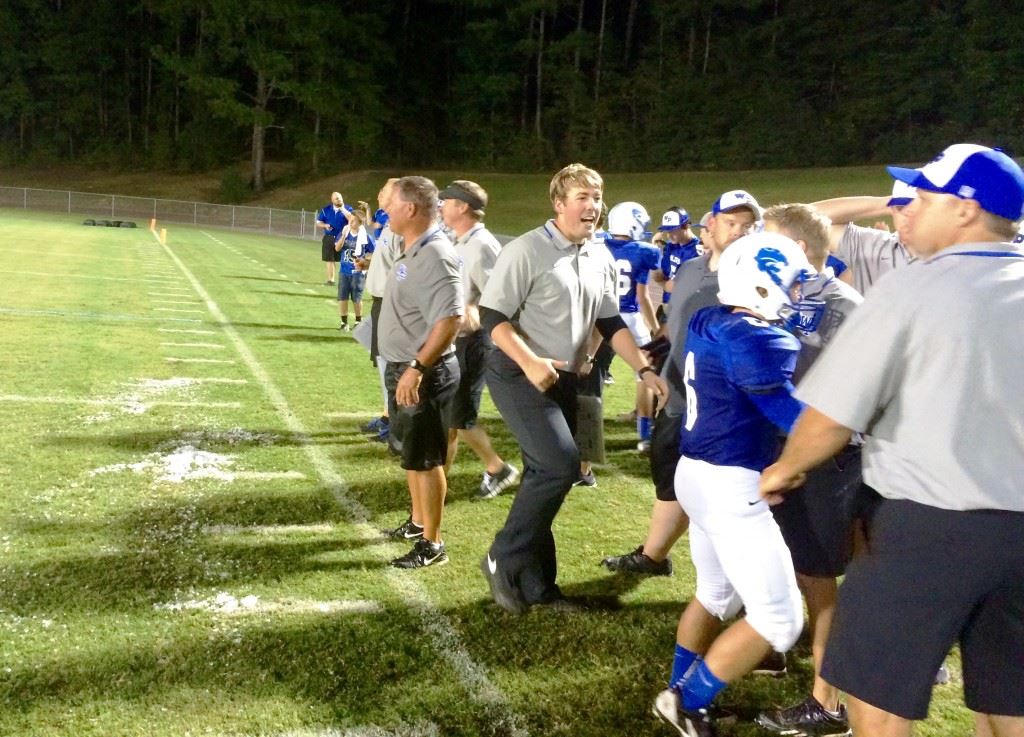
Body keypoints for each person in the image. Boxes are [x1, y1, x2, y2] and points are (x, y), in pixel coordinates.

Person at [760, 143, 1024, 737]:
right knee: (1011, 700)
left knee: (874, 695)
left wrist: (783, 470)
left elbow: (829, 417)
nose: (906, 210)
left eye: (925, 197)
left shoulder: (911, 289)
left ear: (964, 209)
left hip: (933, 525)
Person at [651, 231, 824, 737]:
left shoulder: (709, 318)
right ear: (761, 285)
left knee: (716, 595)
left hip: (696, 477)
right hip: (733, 485)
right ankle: (687, 701)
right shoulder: (759, 339)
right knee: (780, 622)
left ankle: (678, 690)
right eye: (790, 284)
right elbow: (799, 421)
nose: (796, 296)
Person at [477, 163, 669, 613]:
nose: (592, 206)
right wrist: (529, 360)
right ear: (559, 204)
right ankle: (502, 557)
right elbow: (493, 319)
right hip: (518, 370)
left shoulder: (598, 253)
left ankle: (540, 589)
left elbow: (609, 321)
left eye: (597, 197)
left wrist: (644, 369)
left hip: (568, 376)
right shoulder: (526, 249)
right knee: (560, 465)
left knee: (551, 473)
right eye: (582, 197)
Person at [601, 192, 761, 577]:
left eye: (747, 225)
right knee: (669, 472)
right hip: (678, 394)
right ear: (710, 227)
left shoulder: (757, 274)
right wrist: (655, 352)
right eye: (730, 222)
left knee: (725, 490)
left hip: (724, 405)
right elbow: (677, 324)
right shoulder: (689, 270)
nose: (739, 231)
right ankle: (654, 557)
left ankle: (735, 575)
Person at [752, 204, 864, 737]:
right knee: (801, 569)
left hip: (824, 460)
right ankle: (782, 647)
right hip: (788, 456)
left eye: (766, 239)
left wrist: (804, 458)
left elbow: (849, 400)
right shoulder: (773, 295)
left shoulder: (843, 305)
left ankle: (827, 703)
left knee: (823, 581)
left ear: (794, 250)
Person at [377, 176, 464, 569]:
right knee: (412, 457)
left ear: (410, 209)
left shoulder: (435, 254)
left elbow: (450, 320)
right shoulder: (412, 247)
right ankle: (417, 522)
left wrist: (416, 367)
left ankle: (433, 543)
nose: (385, 210)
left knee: (427, 460)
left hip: (423, 373)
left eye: (391, 204)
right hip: (405, 369)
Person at [438, 179, 519, 500]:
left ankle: (497, 467)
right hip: (455, 337)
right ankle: (439, 480)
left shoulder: (482, 245)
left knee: (459, 416)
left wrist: (474, 311)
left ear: (463, 207)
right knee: (449, 416)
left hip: (473, 341)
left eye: (446, 201)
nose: (441, 206)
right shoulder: (459, 240)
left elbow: (499, 297)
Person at [603, 201, 662, 453]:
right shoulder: (644, 251)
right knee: (644, 373)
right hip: (630, 317)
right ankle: (644, 436)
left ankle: (579, 430)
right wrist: (656, 327)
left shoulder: (598, 244)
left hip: (601, 316)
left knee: (588, 372)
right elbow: (642, 295)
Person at [811, 180, 917, 295]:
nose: (908, 216)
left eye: (920, 207)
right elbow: (805, 222)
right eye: (901, 208)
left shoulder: (938, 267)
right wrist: (885, 204)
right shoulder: (877, 246)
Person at [362, 179, 402, 443]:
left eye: (384, 190)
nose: (379, 194)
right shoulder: (388, 225)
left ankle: (395, 425)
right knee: (381, 362)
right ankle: (388, 415)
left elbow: (403, 269)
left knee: (390, 365)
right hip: (379, 302)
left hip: (390, 304)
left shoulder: (399, 229)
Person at [655, 206, 702, 319]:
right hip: (669, 306)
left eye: (673, 230)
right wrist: (656, 251)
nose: (669, 235)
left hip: (686, 310)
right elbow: (661, 277)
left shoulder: (698, 251)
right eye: (667, 231)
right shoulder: (670, 247)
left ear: (686, 226)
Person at [335, 205, 375, 331]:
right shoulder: (345, 232)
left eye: (353, 220)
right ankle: (343, 323)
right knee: (342, 297)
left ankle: (358, 321)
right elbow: (337, 248)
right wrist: (343, 236)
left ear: (360, 223)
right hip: (344, 270)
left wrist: (365, 261)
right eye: (349, 220)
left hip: (358, 272)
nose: (350, 222)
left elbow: (373, 253)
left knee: (356, 298)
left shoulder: (365, 237)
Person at [315, 191, 350, 286]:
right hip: (329, 238)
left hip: (344, 238)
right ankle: (331, 280)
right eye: (336, 198)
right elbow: (318, 222)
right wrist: (325, 225)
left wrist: (342, 209)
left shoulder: (348, 208)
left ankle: (346, 281)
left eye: (340, 197)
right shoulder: (326, 210)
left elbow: (352, 219)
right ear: (332, 200)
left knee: (346, 259)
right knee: (330, 259)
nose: (339, 199)